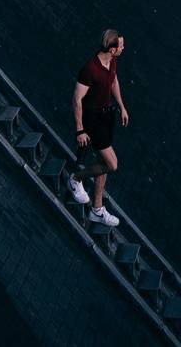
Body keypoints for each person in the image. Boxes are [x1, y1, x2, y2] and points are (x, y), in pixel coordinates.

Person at [68, 28, 129, 226]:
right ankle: (75, 178)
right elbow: (77, 99)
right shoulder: (90, 70)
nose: (123, 48)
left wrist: (122, 106)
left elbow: (114, 81)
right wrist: (80, 130)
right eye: (121, 45)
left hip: (106, 116)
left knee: (103, 163)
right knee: (112, 164)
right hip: (92, 119)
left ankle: (97, 209)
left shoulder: (112, 61)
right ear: (112, 49)